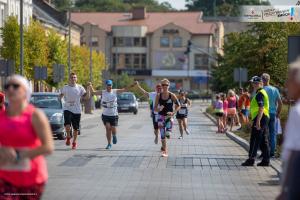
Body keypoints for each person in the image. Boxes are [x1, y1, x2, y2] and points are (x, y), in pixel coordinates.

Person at [0, 75, 54, 199]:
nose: (11, 90)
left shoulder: (35, 115)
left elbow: (48, 147)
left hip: (32, 178)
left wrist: (19, 154)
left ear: (25, 91)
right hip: (5, 177)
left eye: (15, 86)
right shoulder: (1, 117)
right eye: (7, 87)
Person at [277, 59, 300, 200]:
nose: (286, 85)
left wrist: (284, 187)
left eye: (289, 80)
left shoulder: (297, 111)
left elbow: (291, 152)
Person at [91, 80, 136, 150]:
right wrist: (90, 86)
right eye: (108, 85)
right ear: (106, 86)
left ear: (112, 85)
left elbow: (125, 89)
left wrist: (132, 85)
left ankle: (114, 135)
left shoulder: (115, 91)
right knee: (107, 128)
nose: (109, 86)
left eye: (110, 85)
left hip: (114, 114)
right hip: (105, 114)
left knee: (113, 128)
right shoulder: (103, 92)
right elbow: (93, 92)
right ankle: (109, 143)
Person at [242, 76, 270, 167]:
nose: (253, 85)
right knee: (263, 140)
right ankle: (266, 160)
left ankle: (251, 159)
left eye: (254, 83)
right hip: (264, 117)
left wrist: (258, 121)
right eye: (253, 83)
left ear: (258, 83)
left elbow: (261, 108)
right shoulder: (262, 92)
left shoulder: (259, 94)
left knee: (255, 139)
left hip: (260, 118)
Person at [60, 72, 90, 150]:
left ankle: (74, 142)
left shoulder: (80, 88)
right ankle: (68, 136)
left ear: (76, 79)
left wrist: (88, 88)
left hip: (77, 110)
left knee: (76, 128)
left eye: (74, 77)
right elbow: (61, 95)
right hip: (67, 108)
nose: (73, 79)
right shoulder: (65, 87)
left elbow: (86, 97)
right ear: (69, 79)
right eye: (72, 77)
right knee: (67, 124)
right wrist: (59, 98)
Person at [154, 79, 180, 157]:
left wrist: (173, 112)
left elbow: (178, 105)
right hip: (161, 117)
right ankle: (165, 151)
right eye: (163, 85)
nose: (165, 86)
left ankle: (168, 133)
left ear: (169, 86)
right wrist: (159, 109)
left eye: (166, 85)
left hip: (169, 117)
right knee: (162, 135)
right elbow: (155, 108)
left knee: (167, 134)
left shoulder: (172, 95)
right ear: (161, 86)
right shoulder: (158, 95)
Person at [262, 73, 283, 157]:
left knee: (264, 132)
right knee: (272, 132)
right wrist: (278, 113)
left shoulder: (262, 90)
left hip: (264, 113)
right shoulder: (275, 89)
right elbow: (280, 103)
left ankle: (265, 151)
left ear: (263, 80)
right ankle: (272, 152)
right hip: (273, 113)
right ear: (269, 79)